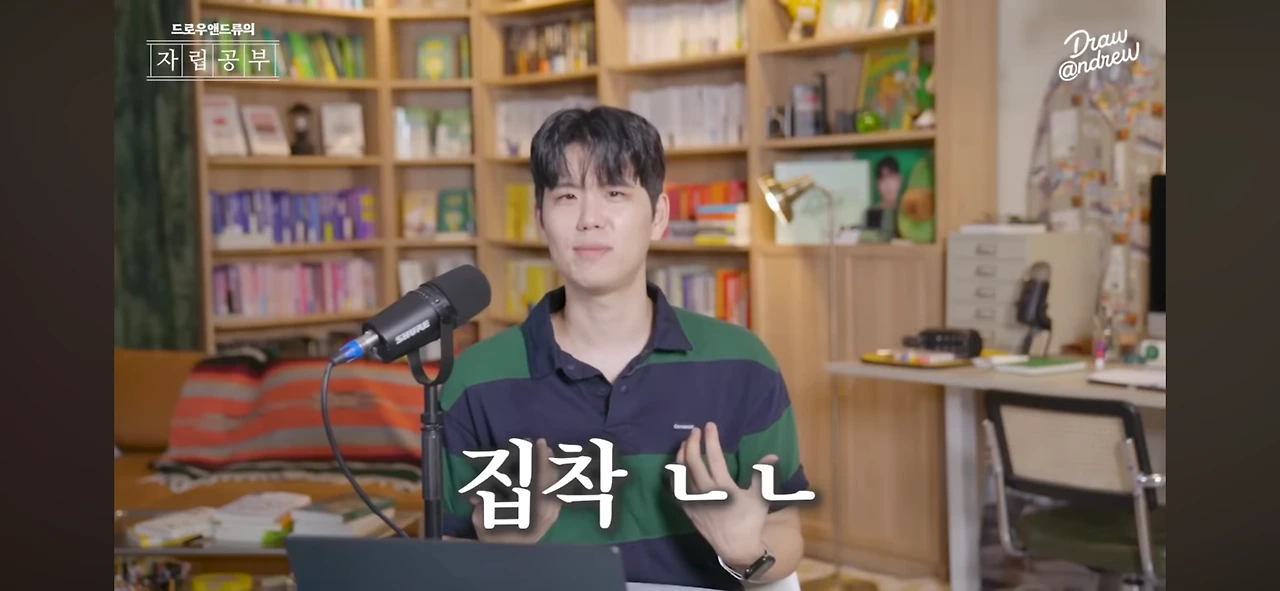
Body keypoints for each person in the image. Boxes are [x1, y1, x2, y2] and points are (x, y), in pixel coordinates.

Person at [438, 106, 810, 589]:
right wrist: (503, 550)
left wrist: (745, 552)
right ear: (540, 220)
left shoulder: (743, 364)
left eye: (614, 193)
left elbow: (784, 526)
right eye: (567, 195)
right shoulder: (475, 379)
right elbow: (444, 548)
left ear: (658, 216)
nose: (589, 219)